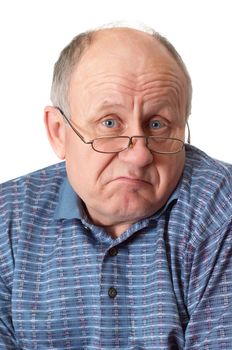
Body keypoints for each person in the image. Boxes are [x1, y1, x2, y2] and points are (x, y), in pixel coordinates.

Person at [0, 24, 232, 350]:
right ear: (58, 132)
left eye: (157, 124)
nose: (138, 155)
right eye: (110, 123)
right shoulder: (7, 219)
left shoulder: (222, 207)